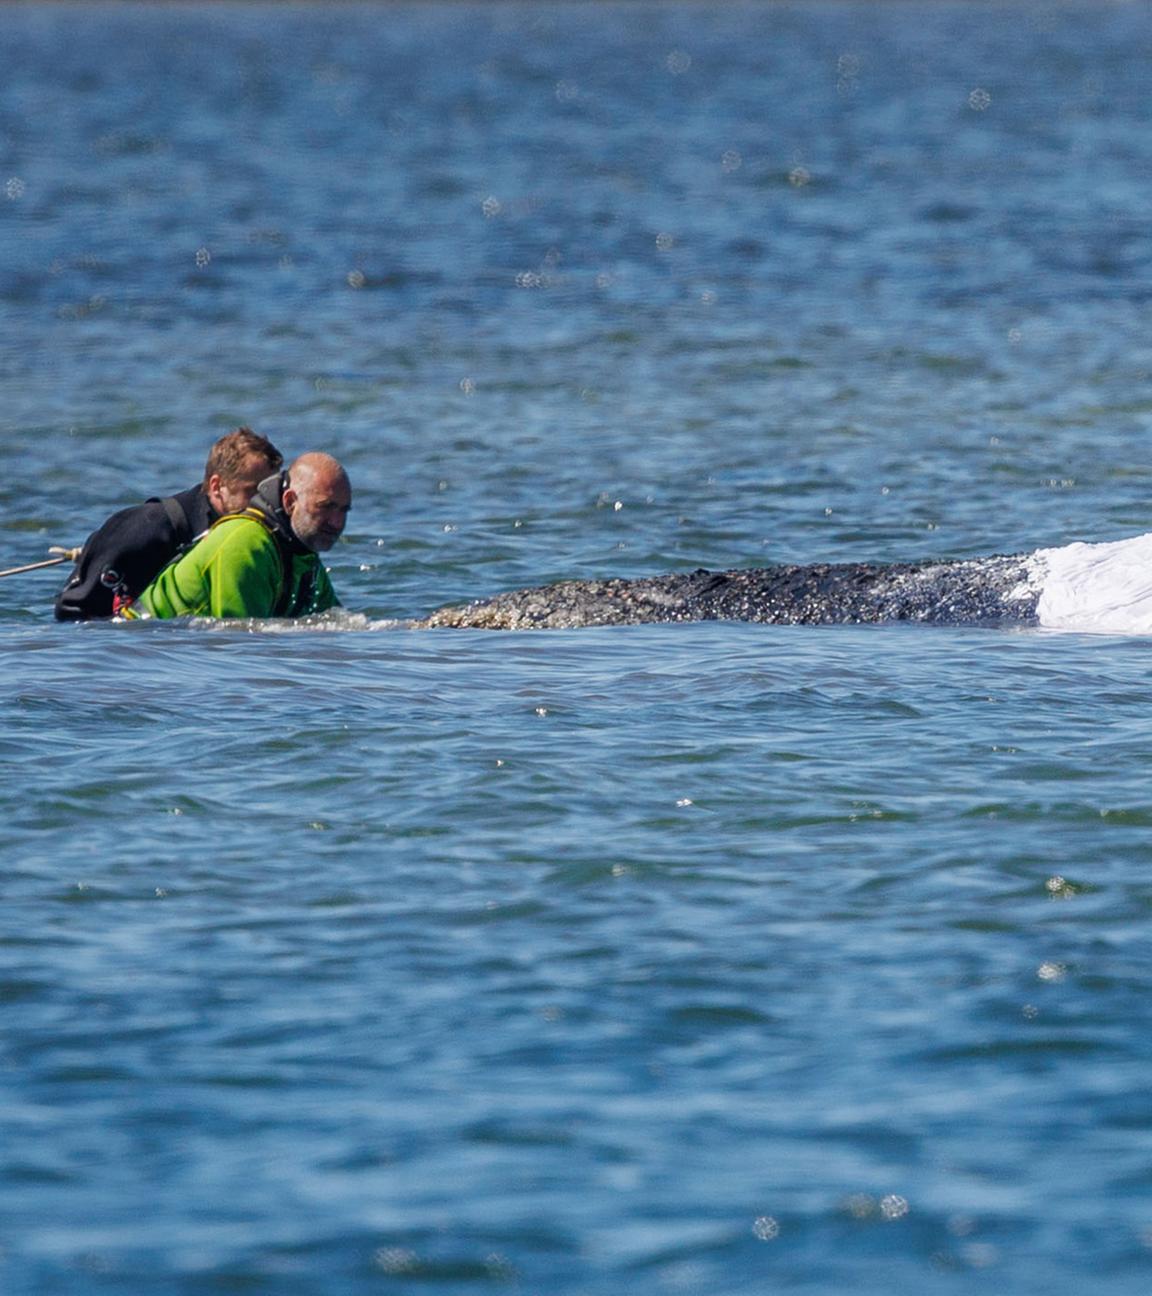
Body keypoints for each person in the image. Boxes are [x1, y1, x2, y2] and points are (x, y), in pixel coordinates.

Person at [54, 428, 283, 621]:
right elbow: (72, 609)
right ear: (217, 486)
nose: (265, 502)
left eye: (270, 491)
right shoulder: (148, 527)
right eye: (253, 491)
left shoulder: (261, 538)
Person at [130, 452, 351, 620]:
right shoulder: (246, 543)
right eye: (325, 506)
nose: (337, 522)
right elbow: (240, 645)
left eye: (344, 510)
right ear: (290, 501)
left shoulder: (304, 557)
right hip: (142, 648)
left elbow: (335, 624)